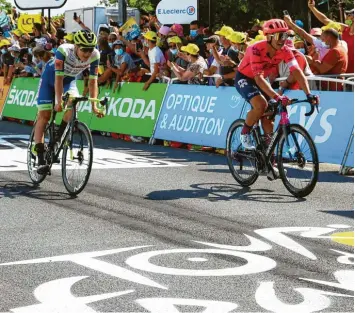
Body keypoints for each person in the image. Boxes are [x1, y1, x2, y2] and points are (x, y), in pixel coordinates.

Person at [235, 19, 319, 180]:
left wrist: (309, 94)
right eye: (280, 36)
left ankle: (269, 161)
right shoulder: (255, 49)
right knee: (261, 104)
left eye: (285, 35)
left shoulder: (286, 49)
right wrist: (277, 96)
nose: (283, 39)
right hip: (245, 78)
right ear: (269, 37)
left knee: (270, 117)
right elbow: (258, 79)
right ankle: (245, 132)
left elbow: (297, 72)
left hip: (262, 79)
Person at [33, 29, 104, 174]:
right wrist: (58, 101)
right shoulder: (64, 51)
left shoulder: (95, 55)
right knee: (45, 116)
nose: (87, 53)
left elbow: (93, 82)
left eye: (90, 49)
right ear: (76, 46)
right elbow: (58, 79)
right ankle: (40, 158)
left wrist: (94, 105)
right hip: (50, 78)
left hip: (69, 81)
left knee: (72, 104)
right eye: (84, 49)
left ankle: (57, 140)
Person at [308, 0, 354, 73]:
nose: (347, 17)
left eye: (349, 15)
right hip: (345, 72)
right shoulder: (345, 29)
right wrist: (312, 8)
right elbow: (325, 20)